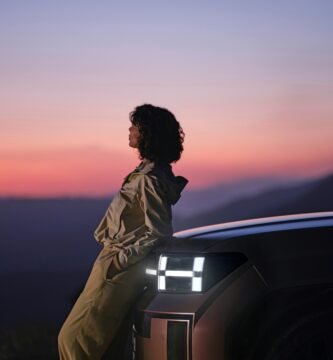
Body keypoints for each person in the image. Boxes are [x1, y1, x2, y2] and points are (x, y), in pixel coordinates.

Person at [58, 104, 188, 359]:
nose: (129, 129)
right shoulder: (147, 174)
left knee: (76, 343)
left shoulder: (148, 179)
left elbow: (158, 232)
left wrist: (120, 261)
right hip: (113, 266)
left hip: (118, 270)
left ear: (148, 133)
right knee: (101, 344)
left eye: (135, 126)